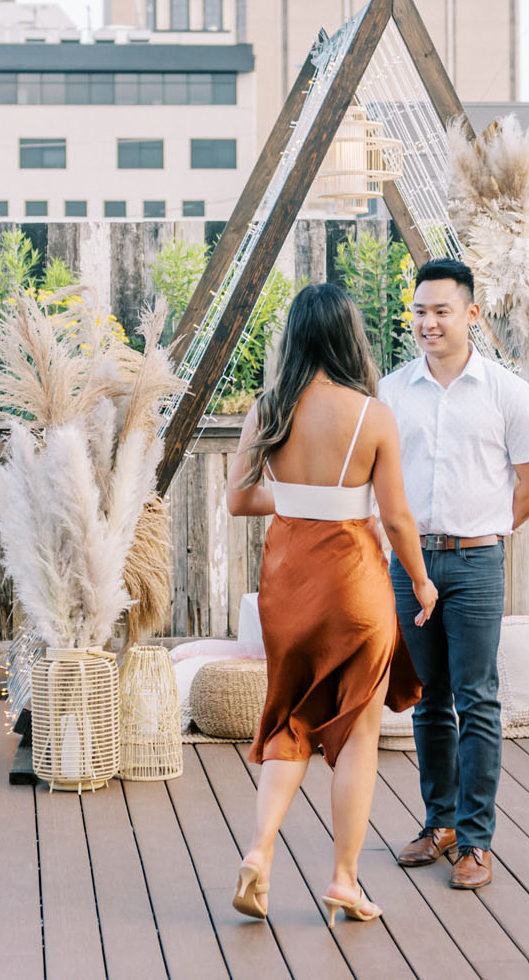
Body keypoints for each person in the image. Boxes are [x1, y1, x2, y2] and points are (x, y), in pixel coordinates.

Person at [224, 282, 438, 926]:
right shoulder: (373, 416)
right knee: (358, 733)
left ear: (294, 337)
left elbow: (238, 500)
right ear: (350, 337)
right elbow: (397, 518)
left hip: (290, 584)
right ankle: (344, 878)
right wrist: (422, 582)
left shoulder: (268, 410)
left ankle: (260, 852)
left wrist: (298, 500)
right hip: (355, 587)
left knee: (290, 720)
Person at [379, 257, 529, 891]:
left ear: (471, 314)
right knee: (428, 697)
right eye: (420, 311)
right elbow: (380, 484)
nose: (427, 322)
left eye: (441, 311)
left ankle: (477, 842)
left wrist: (489, 530)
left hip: (478, 560)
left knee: (477, 698)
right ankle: (440, 823)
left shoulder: (507, 392)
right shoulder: (392, 391)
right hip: (410, 561)